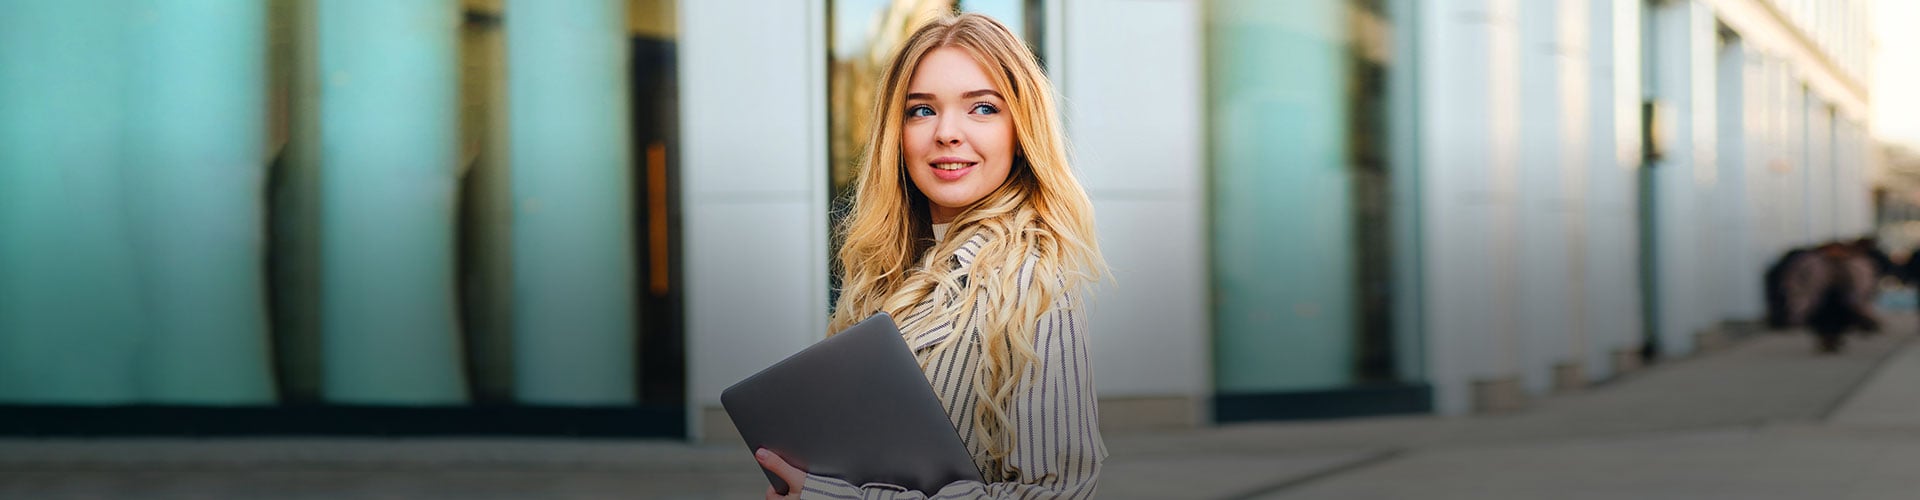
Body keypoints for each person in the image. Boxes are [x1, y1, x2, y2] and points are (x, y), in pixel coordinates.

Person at [752, 12, 1108, 500]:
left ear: (1020, 130)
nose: (947, 132)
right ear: (895, 135)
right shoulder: (885, 270)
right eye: (921, 110)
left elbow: (1059, 492)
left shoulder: (1034, 284)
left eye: (982, 108)